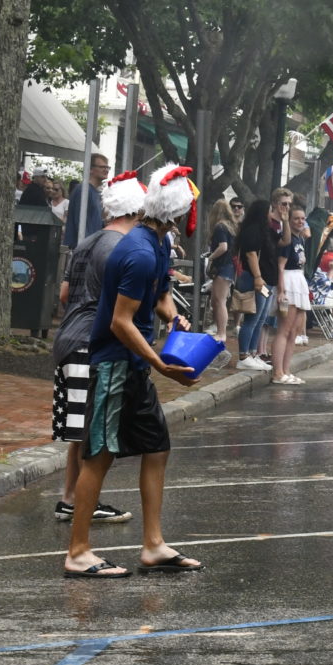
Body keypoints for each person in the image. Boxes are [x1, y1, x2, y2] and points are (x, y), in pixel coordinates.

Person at [62, 165, 204, 578]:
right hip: (114, 367)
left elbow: (158, 296)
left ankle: (154, 545)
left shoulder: (159, 243)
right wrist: (163, 365)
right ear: (176, 211)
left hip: (135, 367)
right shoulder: (139, 251)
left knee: (157, 447)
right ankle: (78, 552)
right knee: (99, 456)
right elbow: (120, 322)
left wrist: (175, 318)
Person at [51, 172, 144, 527]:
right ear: (136, 213)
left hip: (67, 338)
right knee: (94, 430)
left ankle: (70, 498)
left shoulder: (87, 242)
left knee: (78, 426)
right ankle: (80, 501)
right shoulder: (119, 249)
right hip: (91, 342)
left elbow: (63, 295)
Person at [232, 193, 278, 370]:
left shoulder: (263, 229)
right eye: (269, 211)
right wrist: (258, 277)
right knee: (253, 317)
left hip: (263, 279)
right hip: (255, 278)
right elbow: (251, 254)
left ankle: (252, 352)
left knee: (260, 318)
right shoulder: (252, 230)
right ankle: (243, 355)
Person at [270, 198, 313, 385]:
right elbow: (280, 266)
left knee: (294, 331)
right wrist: (282, 290)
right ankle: (277, 372)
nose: (300, 221)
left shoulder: (300, 239)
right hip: (288, 281)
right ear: (290, 219)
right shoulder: (287, 239)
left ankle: (287, 370)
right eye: (296, 218)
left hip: (299, 279)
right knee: (284, 330)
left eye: (303, 218)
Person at [204, 199, 237, 353]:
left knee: (219, 300)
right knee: (218, 300)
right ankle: (220, 330)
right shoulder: (231, 227)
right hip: (229, 266)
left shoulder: (219, 227)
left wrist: (210, 258)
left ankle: (221, 332)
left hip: (223, 266)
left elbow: (223, 247)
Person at [64, 151, 111, 246]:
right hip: (80, 249)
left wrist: (104, 223)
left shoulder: (94, 192)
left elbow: (91, 221)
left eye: (107, 167)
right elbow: (80, 223)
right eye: (102, 167)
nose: (106, 170)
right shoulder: (83, 190)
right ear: (90, 169)